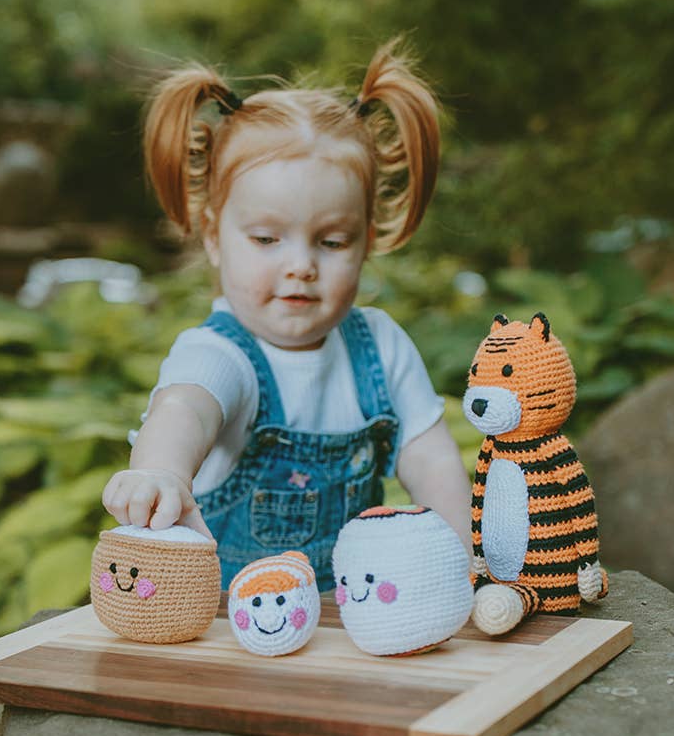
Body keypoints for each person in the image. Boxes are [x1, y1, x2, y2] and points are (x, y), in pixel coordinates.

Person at [101, 42, 475, 590]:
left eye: (331, 241)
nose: (300, 266)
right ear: (214, 237)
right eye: (266, 238)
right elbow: (185, 409)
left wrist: (463, 554)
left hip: (354, 625)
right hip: (232, 631)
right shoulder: (222, 353)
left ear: (366, 242)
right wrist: (160, 473)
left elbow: (432, 461)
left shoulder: (381, 346)